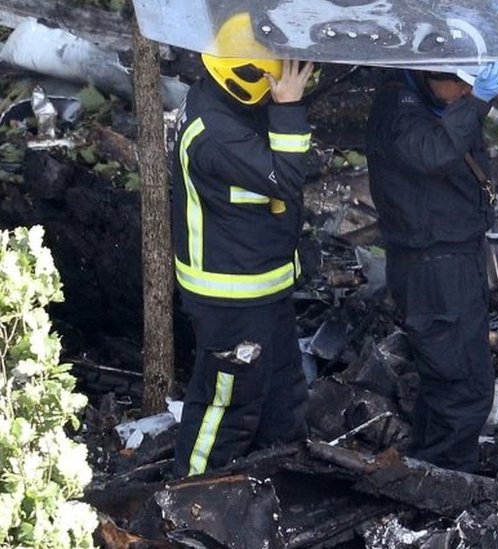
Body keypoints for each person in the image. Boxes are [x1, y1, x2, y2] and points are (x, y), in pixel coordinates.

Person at [170, 12, 316, 477]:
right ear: (248, 78)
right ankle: (189, 498)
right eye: (274, 82)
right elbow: (286, 178)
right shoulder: (216, 134)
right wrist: (288, 108)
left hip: (263, 285)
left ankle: (278, 485)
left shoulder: (227, 101)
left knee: (282, 397)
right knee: (227, 407)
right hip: (231, 296)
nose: (281, 88)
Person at [365, 61, 498, 472]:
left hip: (451, 255)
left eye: (472, 85)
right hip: (434, 265)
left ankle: (427, 468)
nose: (466, 91)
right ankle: (447, 480)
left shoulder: (433, 97)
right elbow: (434, 152)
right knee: (461, 383)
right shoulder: (399, 108)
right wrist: (477, 101)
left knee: (449, 375)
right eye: (461, 83)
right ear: (429, 73)